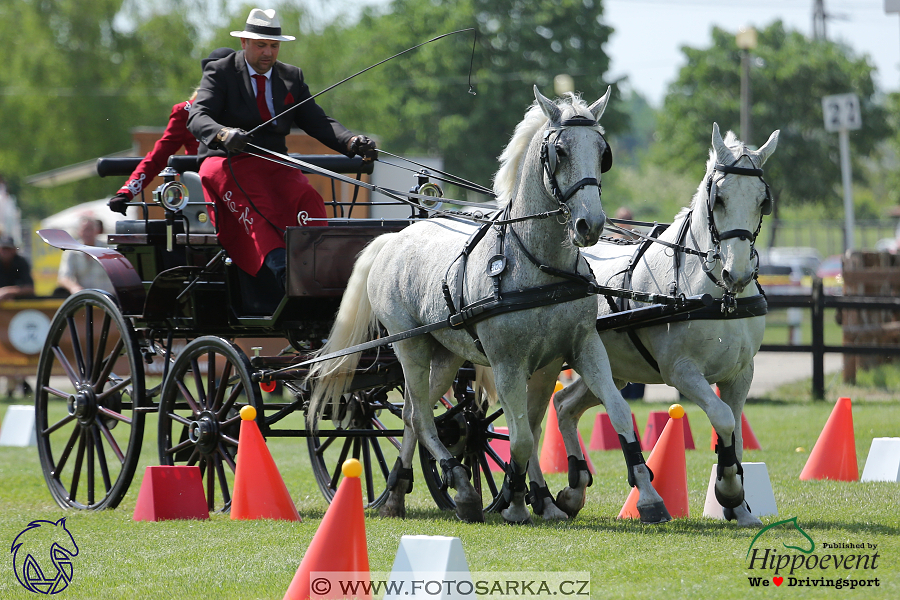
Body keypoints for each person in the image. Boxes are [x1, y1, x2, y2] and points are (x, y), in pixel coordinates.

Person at [186, 8, 377, 289]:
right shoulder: (221, 71)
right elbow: (197, 116)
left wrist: (350, 141)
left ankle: (317, 268)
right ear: (244, 43)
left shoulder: (291, 77)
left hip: (273, 161)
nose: (268, 53)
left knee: (307, 198)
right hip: (227, 160)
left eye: (273, 46)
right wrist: (224, 134)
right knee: (257, 205)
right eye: (261, 45)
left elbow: (318, 121)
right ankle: (283, 272)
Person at [108, 47, 237, 215]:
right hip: (204, 202)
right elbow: (157, 158)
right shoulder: (186, 113)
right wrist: (126, 192)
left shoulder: (251, 112)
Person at [56, 217, 114, 295]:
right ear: (79, 232)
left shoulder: (108, 249)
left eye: (90, 229)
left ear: (97, 231)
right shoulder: (72, 251)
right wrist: (74, 288)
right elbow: (63, 277)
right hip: (85, 299)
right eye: (85, 230)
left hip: (109, 298)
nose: (88, 233)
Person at [0, 236, 34, 301]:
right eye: (3, 249)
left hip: (19, 305)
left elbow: (30, 288)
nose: (6, 252)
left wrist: (7, 292)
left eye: (8, 249)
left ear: (14, 250)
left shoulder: (21, 262)